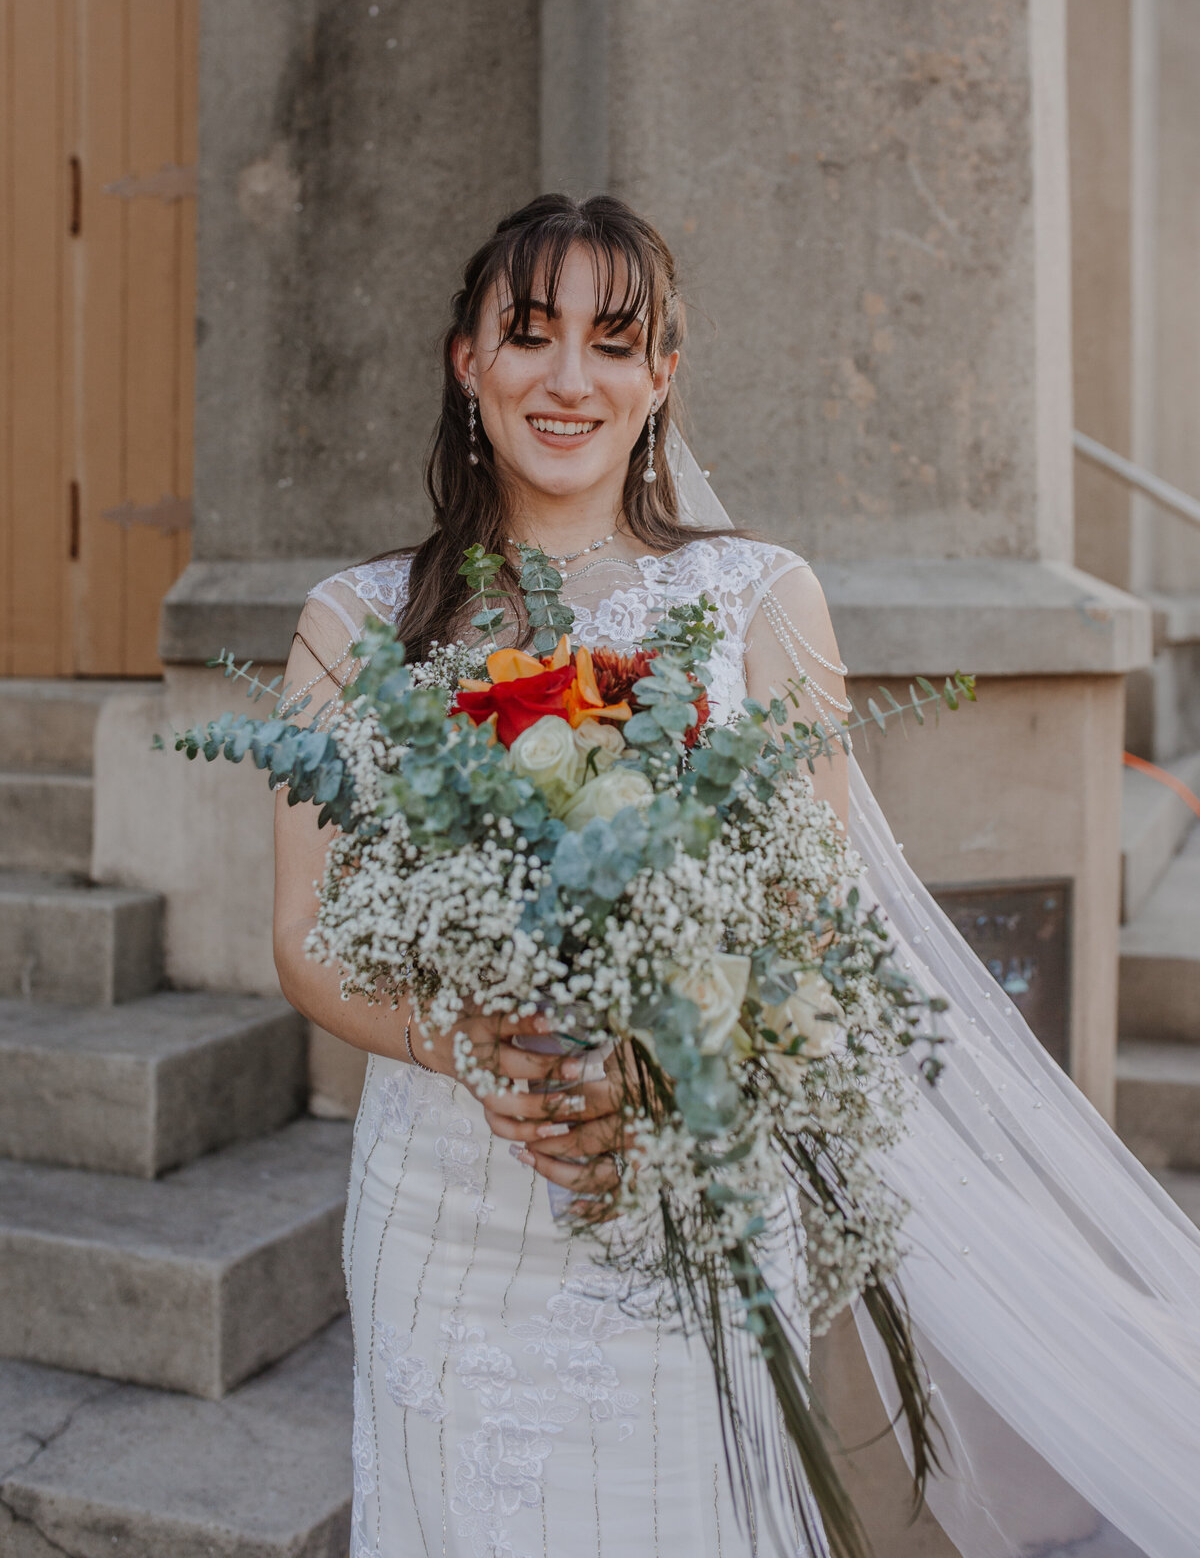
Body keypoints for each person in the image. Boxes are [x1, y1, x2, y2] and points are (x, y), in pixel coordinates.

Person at [273, 195, 1200, 1558]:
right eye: (529, 336)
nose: (569, 378)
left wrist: (656, 1058)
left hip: (681, 1197)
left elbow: (816, 932)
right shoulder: (352, 625)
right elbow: (304, 939)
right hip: (444, 1207)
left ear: (663, 378)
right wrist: (464, 1043)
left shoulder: (761, 602)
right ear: (468, 363)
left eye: (613, 339)